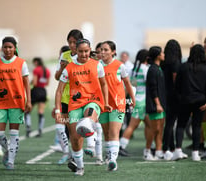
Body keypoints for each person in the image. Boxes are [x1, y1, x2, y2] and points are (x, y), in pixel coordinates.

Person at [55, 38, 111, 176]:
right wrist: (57, 110)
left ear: (90, 50)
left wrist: (106, 102)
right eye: (81, 51)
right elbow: (59, 90)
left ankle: (91, 145)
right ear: (76, 51)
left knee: (88, 118)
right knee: (75, 137)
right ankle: (80, 167)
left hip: (94, 100)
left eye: (86, 51)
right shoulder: (69, 68)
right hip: (74, 104)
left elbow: (104, 84)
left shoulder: (97, 65)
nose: (84, 54)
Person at [0, 36, 31, 170]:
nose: (8, 49)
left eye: (10, 47)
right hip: (0, 102)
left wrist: (28, 100)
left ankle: (11, 161)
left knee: (13, 132)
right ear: (2, 48)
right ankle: (8, 150)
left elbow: (26, 82)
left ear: (15, 48)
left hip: (17, 102)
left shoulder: (21, 63)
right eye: (5, 47)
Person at [98, 41, 135, 170]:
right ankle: (109, 156)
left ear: (113, 52)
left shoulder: (120, 66)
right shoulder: (97, 66)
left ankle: (113, 160)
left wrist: (132, 100)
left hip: (118, 104)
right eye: (101, 50)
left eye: (106, 50)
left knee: (114, 132)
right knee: (107, 133)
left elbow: (128, 84)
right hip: (102, 105)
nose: (102, 52)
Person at [54, 29, 84, 166]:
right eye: (70, 42)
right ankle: (70, 154)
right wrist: (61, 69)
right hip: (66, 97)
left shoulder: (84, 55)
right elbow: (57, 77)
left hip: (81, 97)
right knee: (66, 128)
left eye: (74, 42)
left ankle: (89, 150)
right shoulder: (65, 55)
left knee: (79, 128)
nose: (72, 45)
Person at [175, 44, 206, 161]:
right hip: (201, 102)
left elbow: (177, 85)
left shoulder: (183, 67)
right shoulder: (205, 68)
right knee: (197, 126)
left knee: (181, 125)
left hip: (185, 100)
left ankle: (178, 150)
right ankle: (195, 153)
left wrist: (180, 98)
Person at [119, 49, 151, 159]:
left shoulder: (134, 69)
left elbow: (130, 86)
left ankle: (148, 147)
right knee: (143, 126)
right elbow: (150, 85)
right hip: (144, 101)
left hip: (136, 99)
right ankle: (121, 146)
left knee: (141, 125)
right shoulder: (145, 69)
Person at [161, 39, 182, 160]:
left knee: (168, 123)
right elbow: (175, 80)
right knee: (170, 123)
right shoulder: (176, 63)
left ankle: (171, 147)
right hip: (174, 96)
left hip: (164, 95)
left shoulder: (164, 62)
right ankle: (166, 147)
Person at [145, 46, 166, 160]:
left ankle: (158, 151)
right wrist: (157, 104)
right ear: (158, 55)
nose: (164, 54)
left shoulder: (158, 68)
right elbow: (153, 89)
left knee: (160, 129)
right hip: (155, 105)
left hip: (161, 104)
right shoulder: (152, 69)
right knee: (154, 129)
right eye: (162, 52)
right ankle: (147, 151)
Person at [25, 57, 50, 138]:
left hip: (36, 91)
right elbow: (47, 83)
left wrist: (30, 83)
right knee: (41, 112)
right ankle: (40, 130)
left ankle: (28, 128)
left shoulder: (36, 70)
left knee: (27, 110)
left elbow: (35, 83)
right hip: (43, 91)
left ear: (36, 62)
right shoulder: (47, 70)